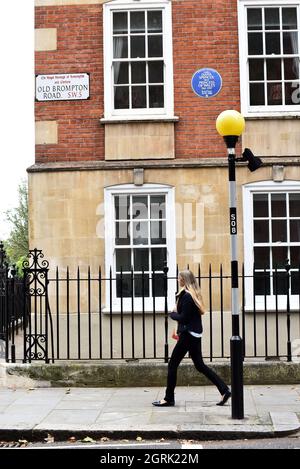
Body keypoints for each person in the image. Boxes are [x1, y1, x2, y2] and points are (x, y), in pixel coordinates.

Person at [152, 270, 231, 407]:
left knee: (172, 365)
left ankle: (168, 398)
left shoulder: (187, 296)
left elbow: (184, 317)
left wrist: (172, 314)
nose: (178, 280)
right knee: (200, 365)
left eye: (179, 278)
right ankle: (224, 390)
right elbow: (188, 317)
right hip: (193, 334)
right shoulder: (191, 295)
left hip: (189, 335)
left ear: (184, 280)